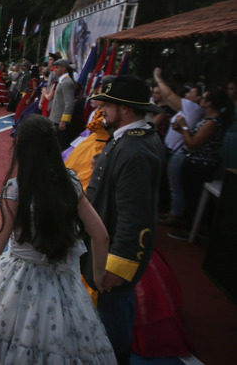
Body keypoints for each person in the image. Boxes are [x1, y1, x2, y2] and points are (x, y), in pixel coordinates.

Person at [0, 114, 115, 364]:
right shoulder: (70, 184)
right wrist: (98, 277)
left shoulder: (16, 189)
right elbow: (101, 235)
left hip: (16, 280)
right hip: (64, 284)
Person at [83, 75, 166, 365]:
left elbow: (135, 218)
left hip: (114, 259)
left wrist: (116, 268)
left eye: (108, 103)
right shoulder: (132, 140)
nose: (101, 108)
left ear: (126, 109)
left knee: (113, 320)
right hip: (106, 248)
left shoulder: (134, 152)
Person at [170, 87, 232, 239]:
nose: (200, 100)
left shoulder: (212, 122)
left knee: (193, 198)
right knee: (189, 195)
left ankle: (191, 230)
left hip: (199, 166)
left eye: (203, 98)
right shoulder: (206, 119)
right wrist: (182, 130)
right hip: (193, 163)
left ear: (210, 103)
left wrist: (184, 126)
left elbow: (193, 144)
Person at [153, 68, 204, 229]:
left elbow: (168, 97)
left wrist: (158, 78)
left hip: (179, 153)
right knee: (172, 185)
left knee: (176, 186)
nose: (187, 95)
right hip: (172, 150)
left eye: (192, 93)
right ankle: (173, 211)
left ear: (197, 98)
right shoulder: (188, 109)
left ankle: (176, 214)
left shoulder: (193, 108)